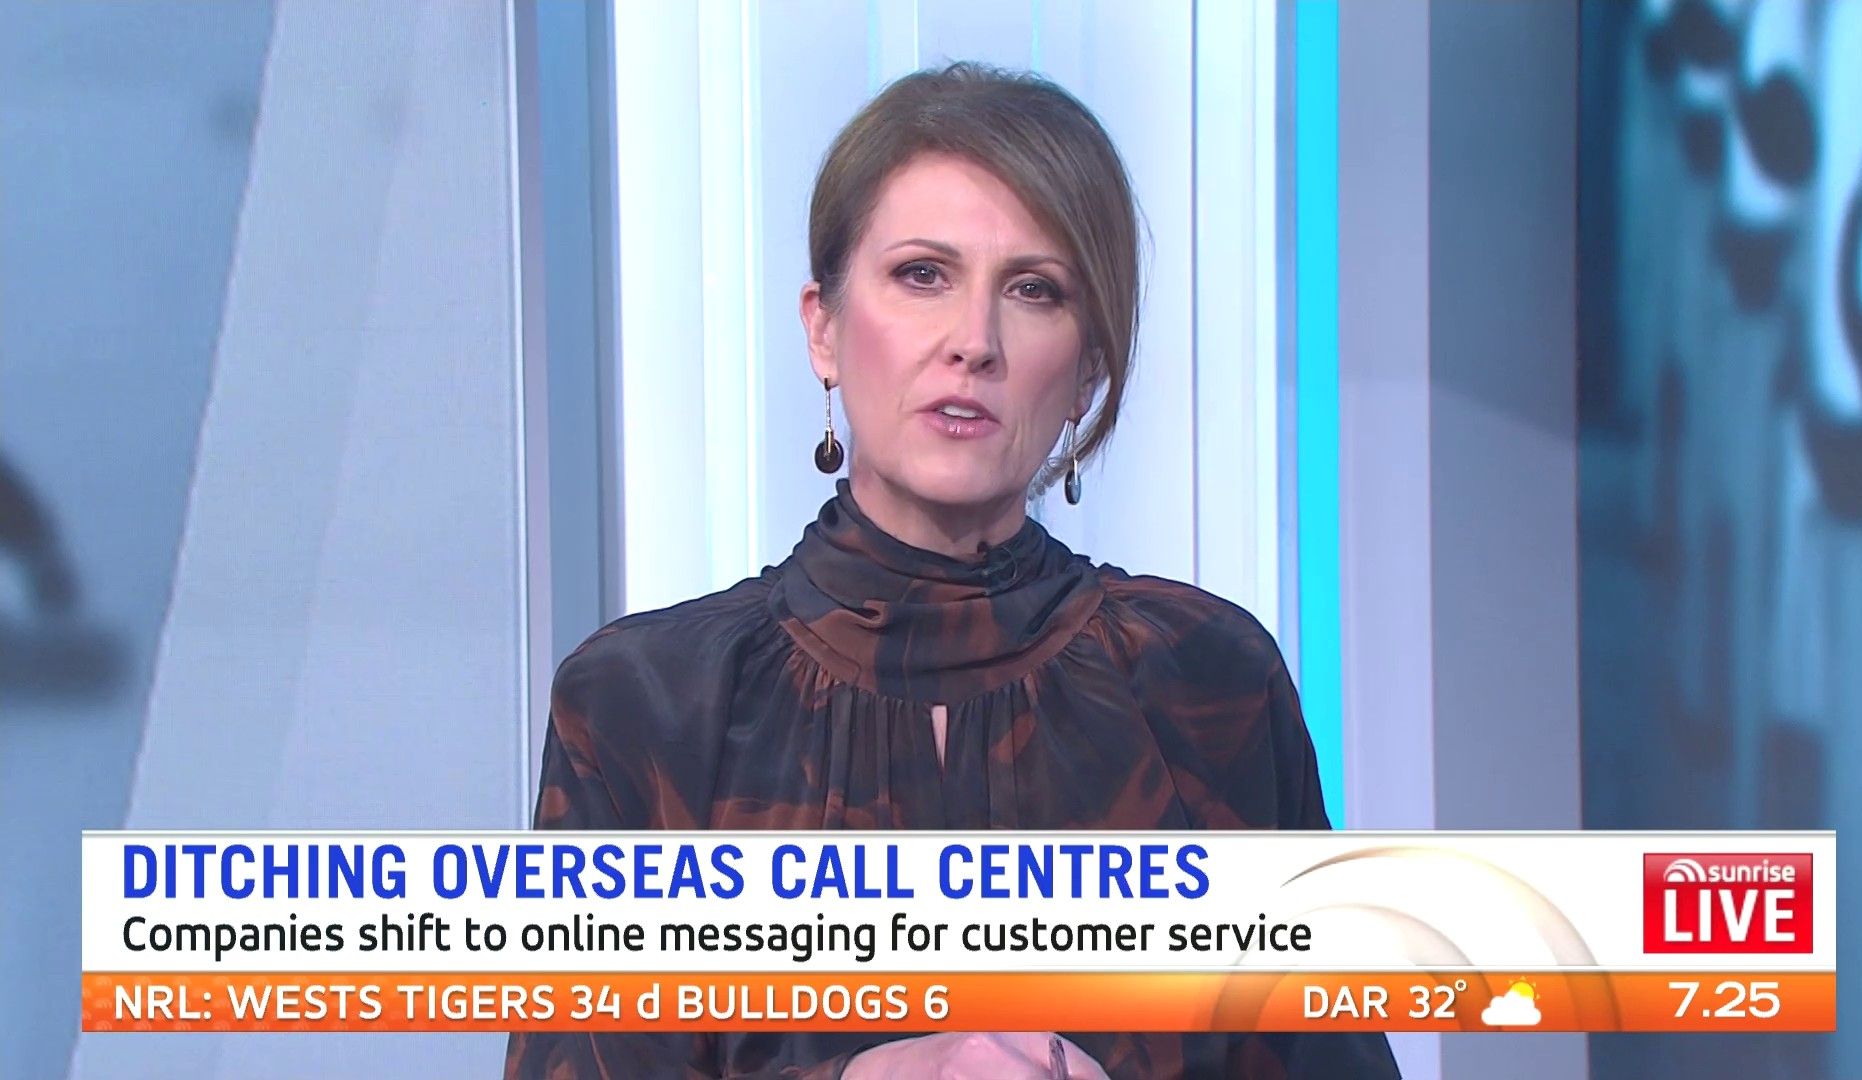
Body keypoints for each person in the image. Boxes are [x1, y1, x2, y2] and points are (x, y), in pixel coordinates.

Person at [505, 61, 1399, 1079]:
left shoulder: (1206, 680)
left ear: (1088, 371)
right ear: (823, 328)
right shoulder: (647, 701)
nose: (974, 342)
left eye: (1034, 290)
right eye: (923, 275)